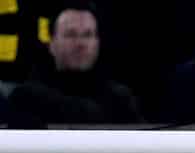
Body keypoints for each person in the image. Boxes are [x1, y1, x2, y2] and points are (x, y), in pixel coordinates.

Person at [7, 2, 144, 126]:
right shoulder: (26, 99)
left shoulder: (121, 100)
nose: (80, 43)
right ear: (51, 43)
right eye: (71, 34)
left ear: (98, 43)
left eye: (88, 35)